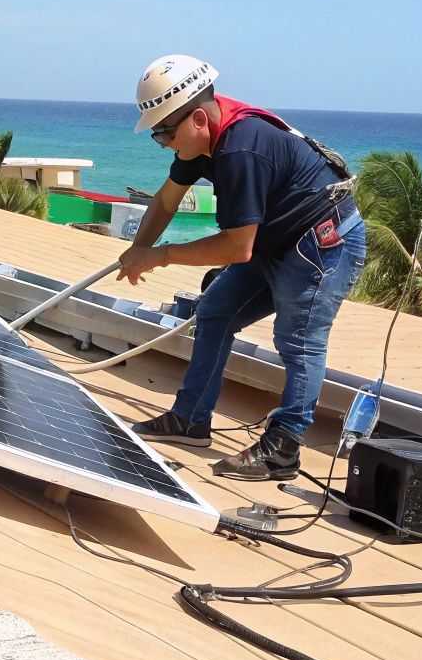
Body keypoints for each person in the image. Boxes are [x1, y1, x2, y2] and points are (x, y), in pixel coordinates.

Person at [115, 55, 366, 481]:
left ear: (196, 118)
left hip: (321, 243)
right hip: (277, 240)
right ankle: (191, 420)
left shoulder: (240, 147)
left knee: (298, 341)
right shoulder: (202, 140)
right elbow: (165, 200)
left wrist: (160, 255)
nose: (161, 143)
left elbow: (237, 247)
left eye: (163, 132)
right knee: (214, 313)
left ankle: (283, 448)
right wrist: (137, 252)